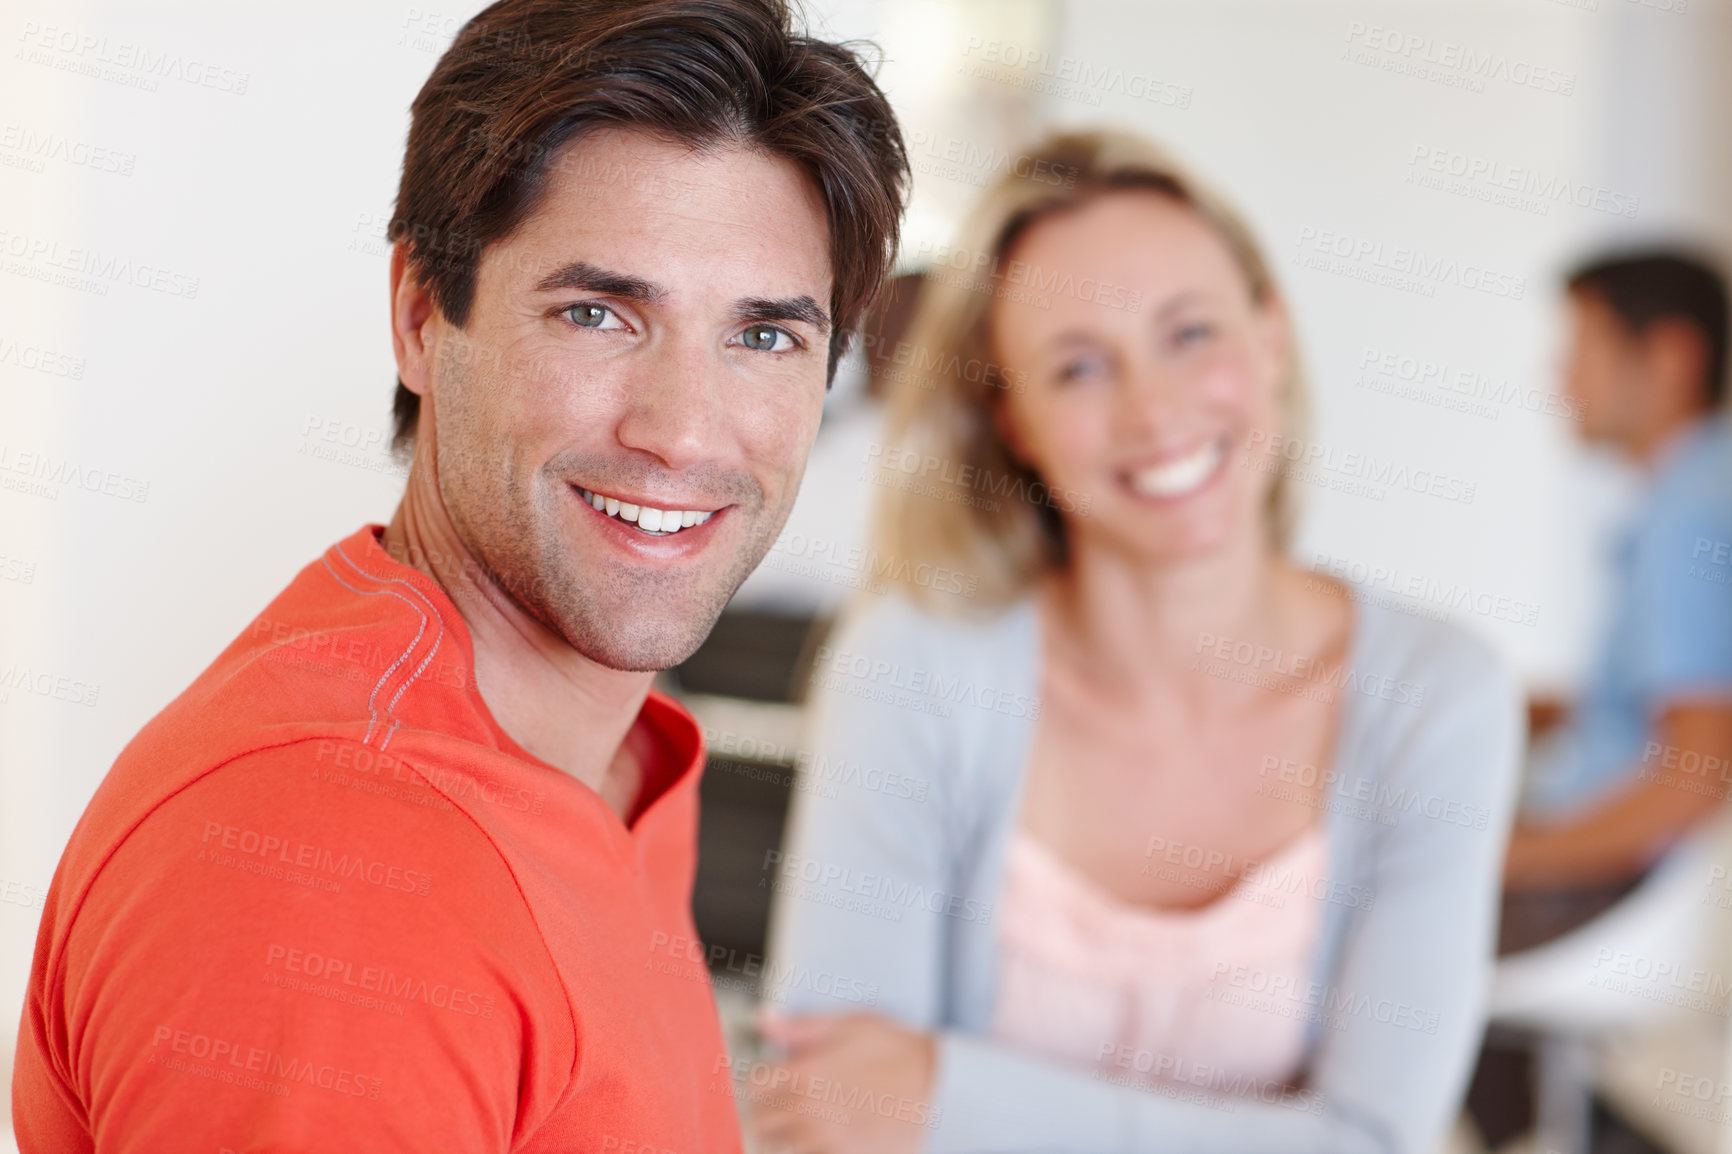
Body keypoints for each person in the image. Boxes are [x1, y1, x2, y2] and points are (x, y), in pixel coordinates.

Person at [10, 2, 907, 1149]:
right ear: (422, 314)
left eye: (764, 336)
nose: (685, 433)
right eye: (598, 312)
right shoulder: (350, 880)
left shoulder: (610, 756)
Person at [758, 129, 1522, 1154]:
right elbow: (831, 1111)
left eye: (1190, 332)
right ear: (1012, 419)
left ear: (1271, 339)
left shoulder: (1436, 692)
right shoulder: (912, 666)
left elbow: (1377, 1134)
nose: (1153, 410)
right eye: (1077, 366)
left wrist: (946, 1098)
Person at [1503, 252, 1732, 922]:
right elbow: (1658, 700)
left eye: (1583, 346)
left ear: (1668, 357)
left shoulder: (1690, 512)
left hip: (1597, 874)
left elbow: (1698, 772)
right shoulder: (1698, 486)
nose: (1561, 375)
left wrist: (1511, 859)